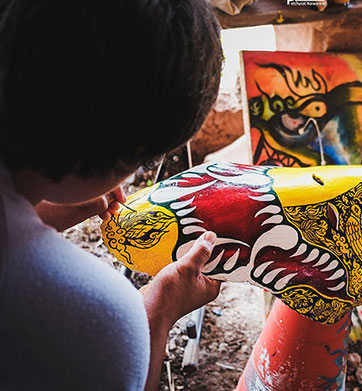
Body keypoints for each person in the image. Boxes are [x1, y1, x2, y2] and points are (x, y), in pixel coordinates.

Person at [0, 0, 224, 390]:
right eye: (145, 159)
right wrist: (156, 314)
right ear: (123, 152)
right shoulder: (97, 317)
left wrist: (33, 206)